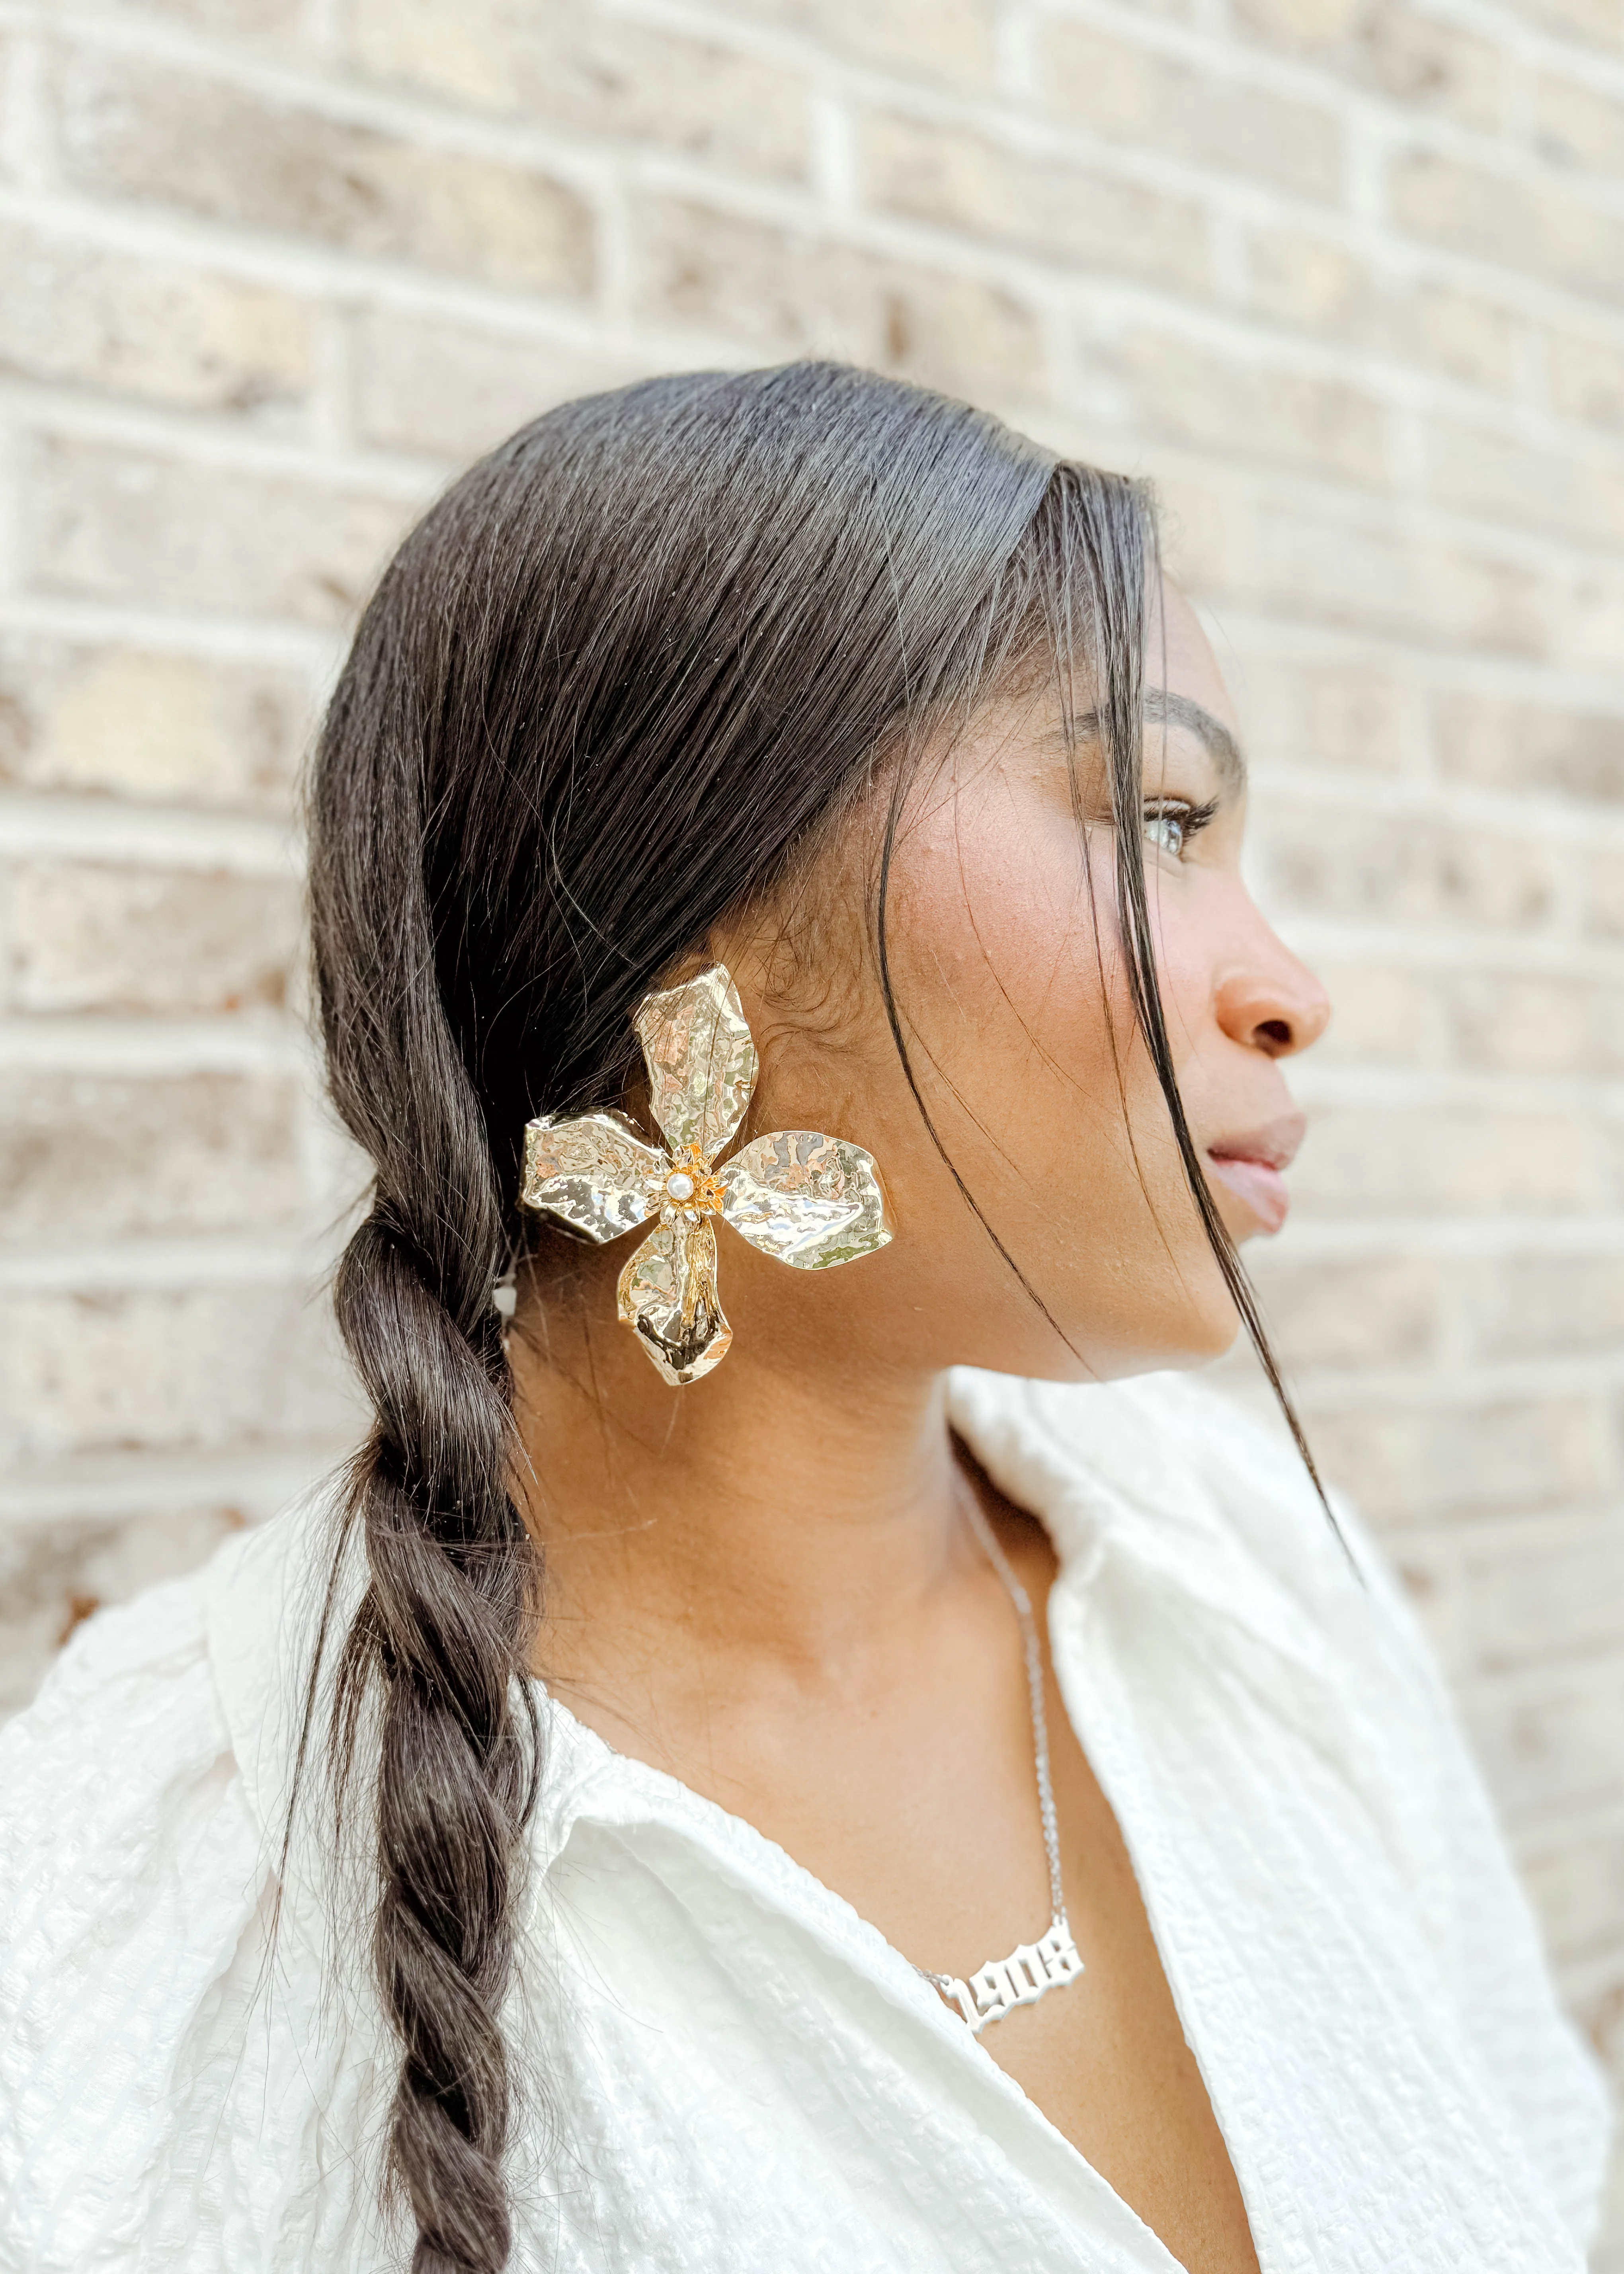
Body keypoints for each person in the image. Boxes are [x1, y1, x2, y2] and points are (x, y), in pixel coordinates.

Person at [0, 364, 1609, 2274]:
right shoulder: (163, 1867)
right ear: (696, 929)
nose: (1286, 984)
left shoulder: (1247, 1569)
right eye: (1164, 817)